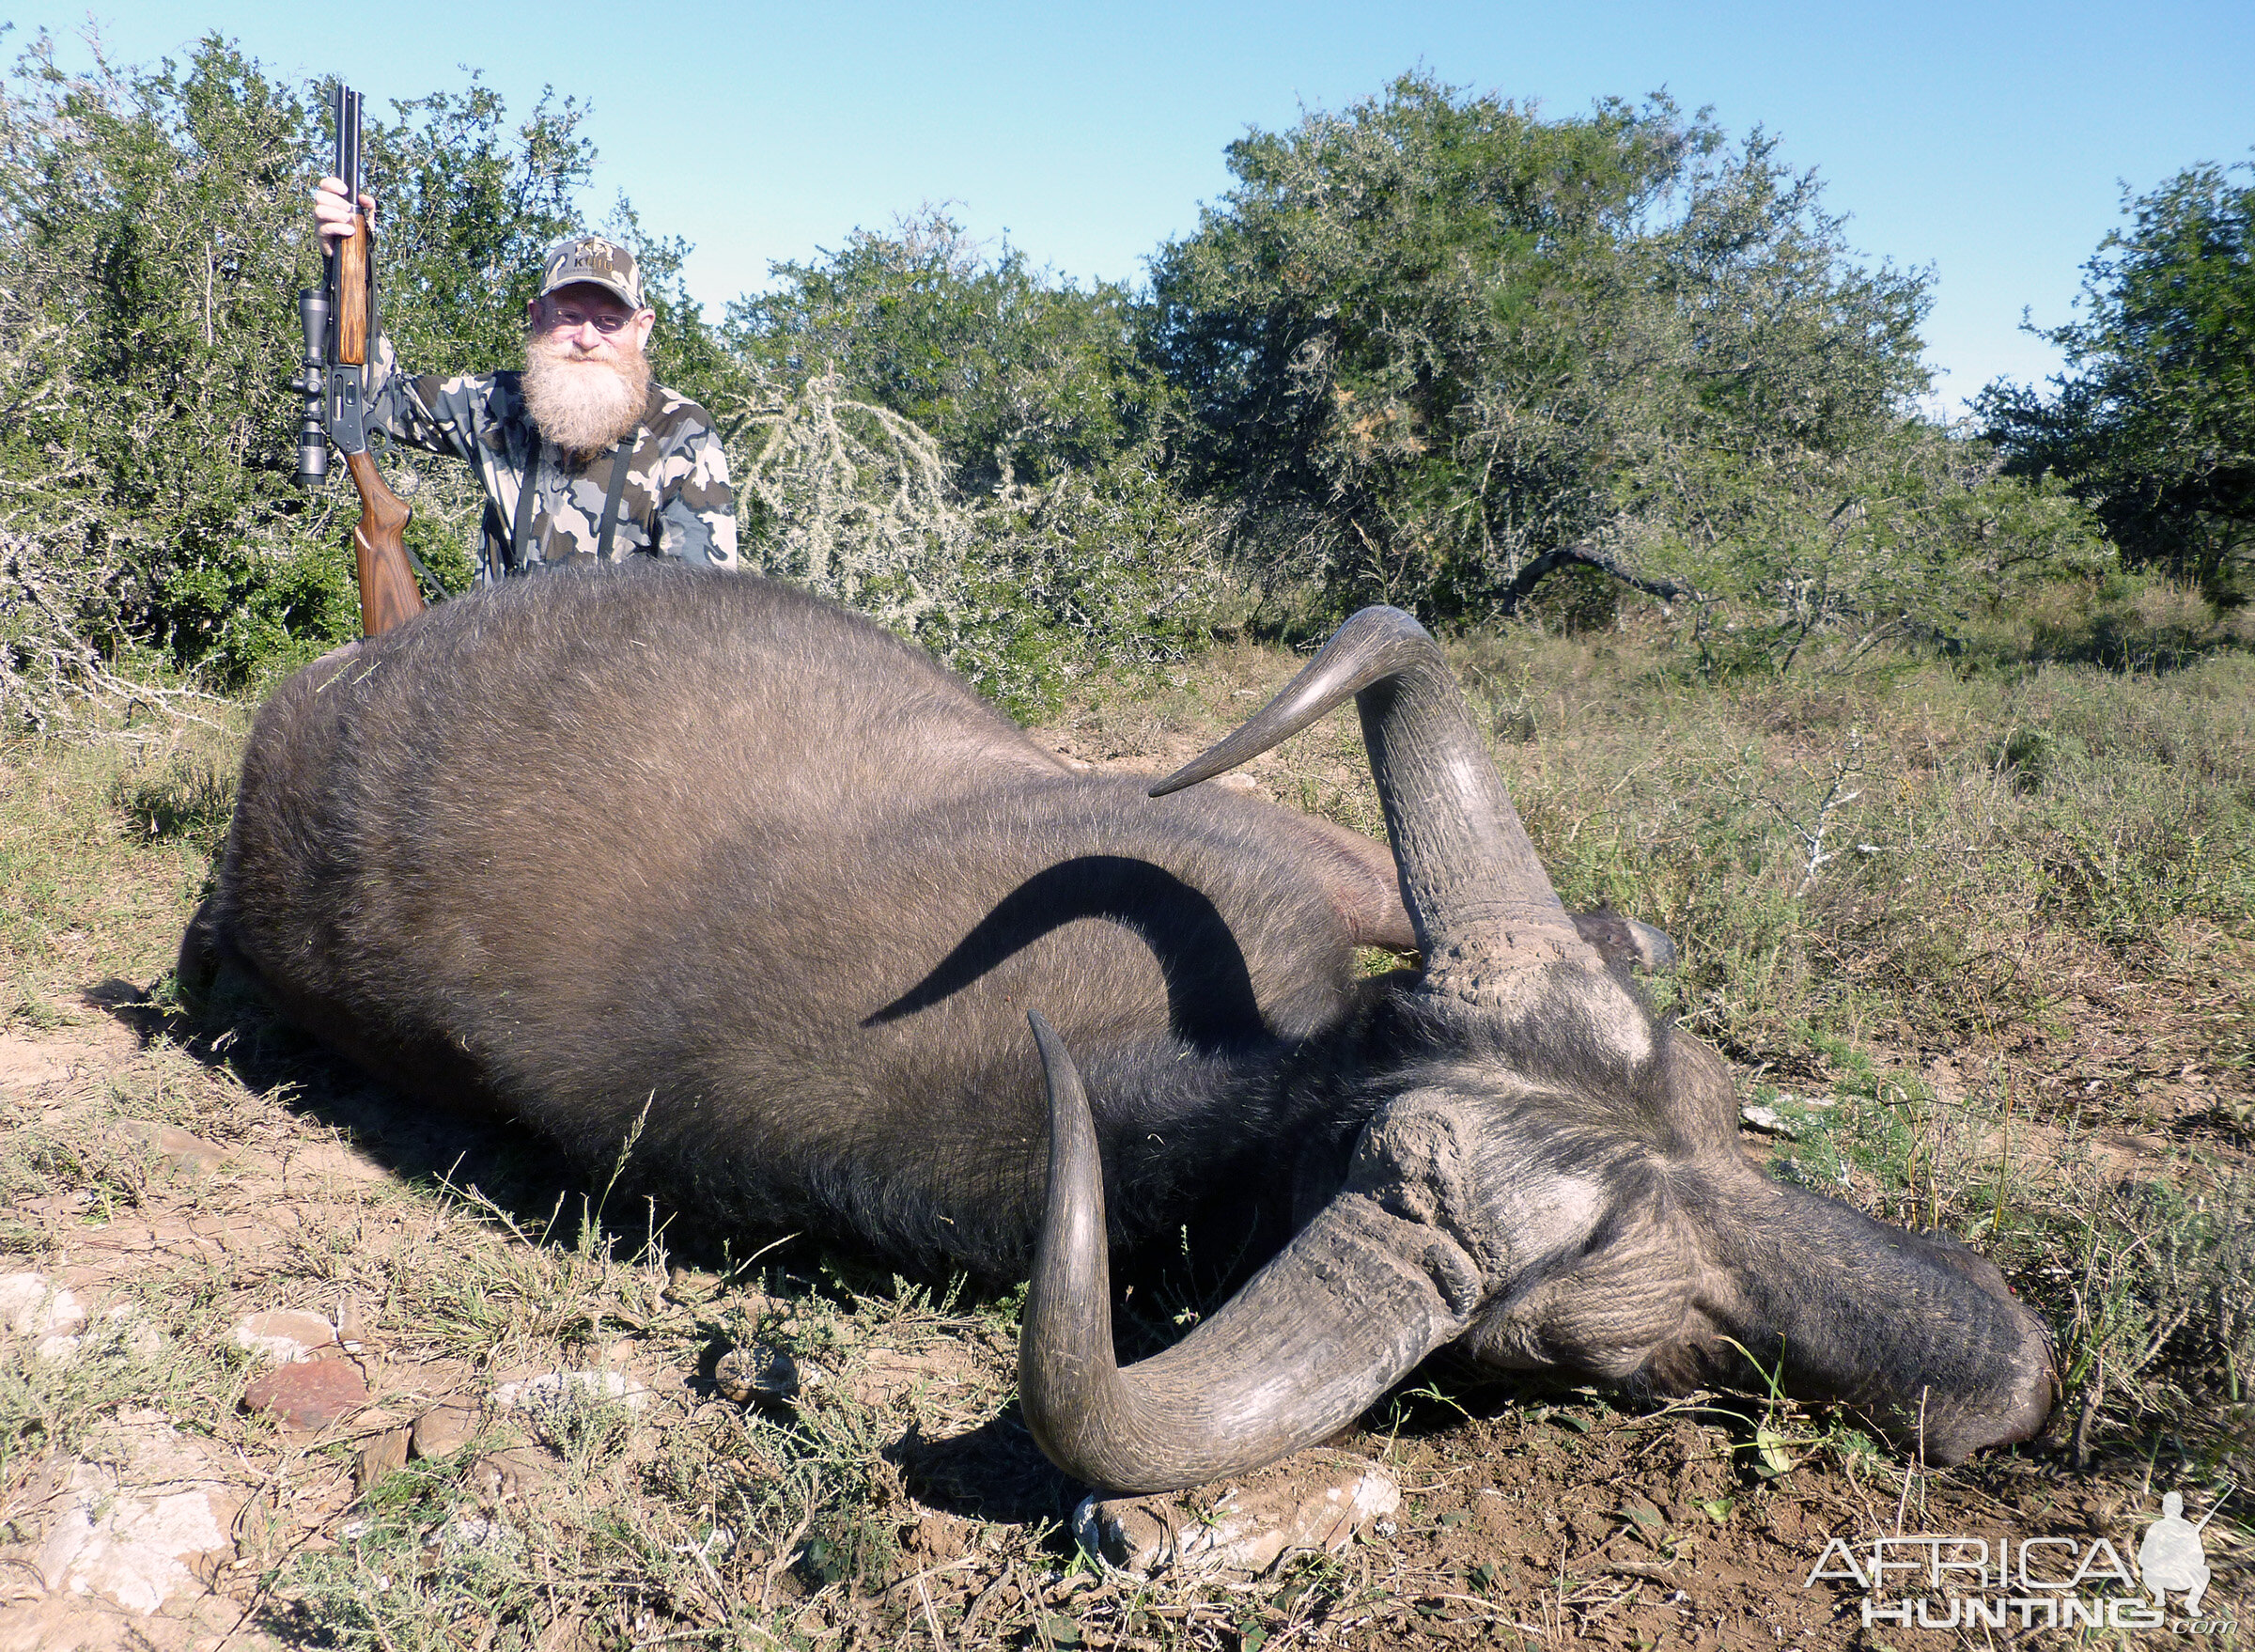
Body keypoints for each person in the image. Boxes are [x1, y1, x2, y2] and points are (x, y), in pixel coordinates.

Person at [313, 179, 737, 582]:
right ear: (537, 318)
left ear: (641, 328)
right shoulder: (497, 404)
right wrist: (350, 267)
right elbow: (374, 397)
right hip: (498, 657)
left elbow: (701, 613)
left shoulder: (682, 430)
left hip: (627, 660)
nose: (587, 339)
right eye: (569, 317)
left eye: (609, 322)